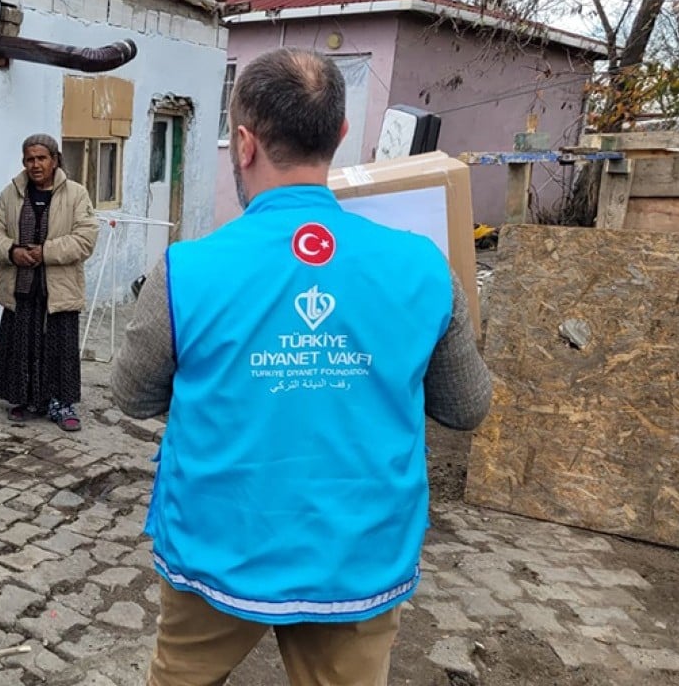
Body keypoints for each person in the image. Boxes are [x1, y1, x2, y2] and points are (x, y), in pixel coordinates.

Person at [112, 48, 493, 686]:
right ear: (340, 136)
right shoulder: (425, 267)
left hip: (217, 550)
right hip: (358, 560)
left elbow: (131, 396)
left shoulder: (186, 269)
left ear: (243, 144)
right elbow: (466, 406)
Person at [0, 134, 99, 431]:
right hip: (20, 285)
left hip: (58, 288)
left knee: (59, 346)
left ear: (55, 160)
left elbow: (85, 239)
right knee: (21, 343)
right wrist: (13, 251)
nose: (35, 165)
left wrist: (45, 252)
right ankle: (24, 399)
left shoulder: (75, 194)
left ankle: (61, 404)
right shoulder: (11, 194)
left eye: (41, 158)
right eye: (29, 159)